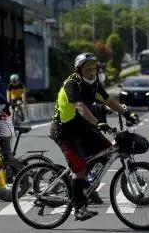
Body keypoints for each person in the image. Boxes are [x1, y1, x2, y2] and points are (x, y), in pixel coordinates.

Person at [50, 53, 138, 221]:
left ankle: (80, 182)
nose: (92, 72)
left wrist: (127, 113)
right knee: (80, 168)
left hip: (82, 129)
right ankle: (79, 208)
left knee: (108, 151)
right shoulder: (72, 83)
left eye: (94, 68)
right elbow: (80, 107)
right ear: (79, 71)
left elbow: (108, 100)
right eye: (87, 69)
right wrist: (98, 123)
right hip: (64, 131)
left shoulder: (94, 83)